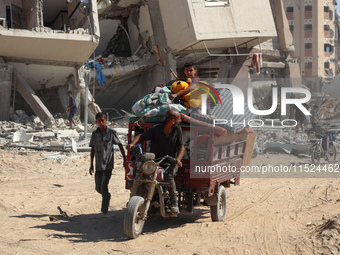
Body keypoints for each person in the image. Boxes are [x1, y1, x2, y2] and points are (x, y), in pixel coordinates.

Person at [126, 110, 185, 213]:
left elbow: (182, 147)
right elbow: (141, 136)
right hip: (155, 161)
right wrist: (132, 144)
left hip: (170, 161)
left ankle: (174, 202)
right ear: (172, 121)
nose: (180, 121)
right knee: (140, 172)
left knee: (168, 176)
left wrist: (178, 160)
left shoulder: (177, 130)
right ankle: (137, 196)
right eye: (178, 119)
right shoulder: (156, 129)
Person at [89, 112, 126, 216]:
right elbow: (93, 149)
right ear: (96, 122)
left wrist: (124, 158)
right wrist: (91, 164)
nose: (101, 122)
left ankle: (104, 210)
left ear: (105, 120)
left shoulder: (111, 132)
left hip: (108, 164)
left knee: (104, 186)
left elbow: (120, 144)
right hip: (98, 164)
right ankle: (107, 196)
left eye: (102, 120)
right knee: (98, 187)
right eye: (99, 121)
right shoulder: (94, 134)